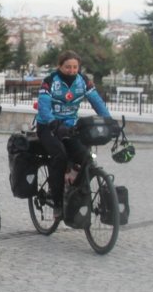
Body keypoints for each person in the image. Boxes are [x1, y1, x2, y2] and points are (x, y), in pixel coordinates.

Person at [35, 50, 112, 218]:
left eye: (75, 67)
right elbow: (44, 106)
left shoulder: (83, 81)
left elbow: (97, 101)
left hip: (70, 126)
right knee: (60, 156)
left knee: (85, 157)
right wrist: (52, 122)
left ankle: (75, 192)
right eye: (67, 67)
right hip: (48, 127)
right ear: (59, 66)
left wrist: (109, 121)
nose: (71, 70)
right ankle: (57, 202)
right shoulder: (49, 81)